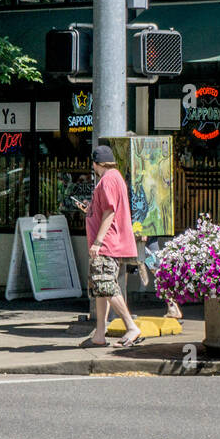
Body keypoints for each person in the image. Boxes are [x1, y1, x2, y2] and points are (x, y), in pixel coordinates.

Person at [76, 145, 144, 348]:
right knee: (100, 288)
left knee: (105, 285)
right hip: (112, 242)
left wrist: (97, 242)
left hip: (107, 243)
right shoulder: (115, 177)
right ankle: (99, 333)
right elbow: (107, 209)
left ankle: (131, 326)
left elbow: (110, 212)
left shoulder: (107, 181)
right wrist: (90, 209)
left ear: (96, 164)